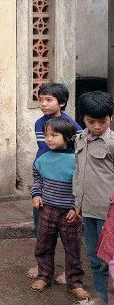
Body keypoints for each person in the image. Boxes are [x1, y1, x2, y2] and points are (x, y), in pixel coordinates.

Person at [27, 83, 82, 283]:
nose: (43, 103)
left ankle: (70, 271)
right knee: (41, 228)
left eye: (49, 100)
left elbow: (78, 150)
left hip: (64, 185)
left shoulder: (70, 124)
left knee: (70, 236)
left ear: (62, 102)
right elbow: (43, 150)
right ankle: (42, 265)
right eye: (40, 99)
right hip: (44, 179)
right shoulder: (39, 123)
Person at [30, 118, 89, 300]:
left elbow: (82, 187)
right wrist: (36, 195)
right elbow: (37, 179)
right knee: (43, 244)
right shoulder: (42, 159)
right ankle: (44, 276)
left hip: (70, 214)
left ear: (68, 137)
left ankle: (75, 282)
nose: (49, 139)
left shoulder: (77, 161)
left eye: (54, 135)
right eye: (46, 135)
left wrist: (76, 208)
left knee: (73, 248)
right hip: (47, 210)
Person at [73, 91, 114, 304]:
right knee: (93, 256)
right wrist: (76, 204)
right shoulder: (79, 139)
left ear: (111, 118)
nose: (97, 126)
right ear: (83, 119)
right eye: (91, 122)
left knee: (109, 258)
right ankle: (100, 297)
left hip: (108, 212)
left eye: (102, 121)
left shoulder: (112, 143)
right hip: (87, 209)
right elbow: (77, 172)